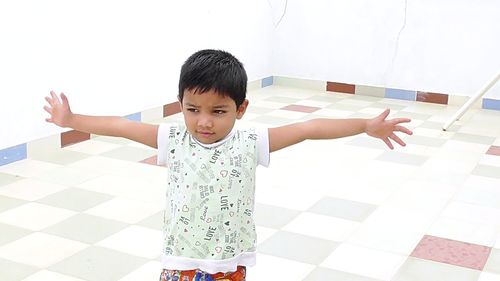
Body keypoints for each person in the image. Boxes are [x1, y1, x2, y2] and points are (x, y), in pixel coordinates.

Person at [44, 49, 412, 281]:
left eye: (218, 112)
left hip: (228, 262)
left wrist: (364, 126)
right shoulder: (174, 140)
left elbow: (307, 129)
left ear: (241, 109)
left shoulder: (251, 142)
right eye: (193, 110)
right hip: (181, 260)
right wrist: (72, 119)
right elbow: (120, 127)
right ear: (181, 104)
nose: (204, 122)